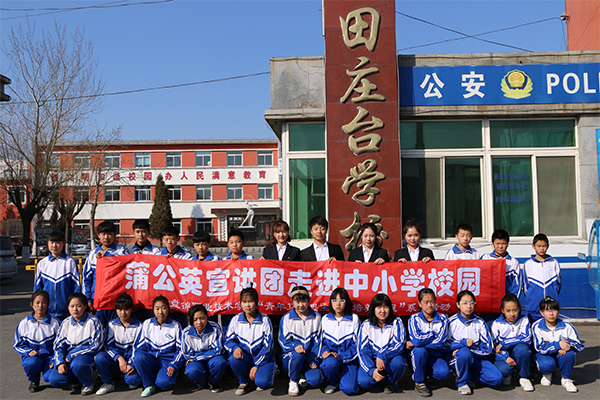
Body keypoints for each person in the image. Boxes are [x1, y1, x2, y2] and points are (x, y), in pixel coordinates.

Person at [447, 290, 503, 395]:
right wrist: (462, 345)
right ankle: (462, 383)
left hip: (477, 357)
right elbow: (444, 345)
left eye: (471, 303)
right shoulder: (451, 322)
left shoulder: (480, 322)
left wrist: (469, 349)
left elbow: (488, 348)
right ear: (458, 305)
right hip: (457, 358)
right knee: (464, 353)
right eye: (465, 303)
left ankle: (468, 376)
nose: (469, 306)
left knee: (497, 379)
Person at [48, 293, 104, 396]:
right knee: (54, 379)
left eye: (79, 306)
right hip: (68, 358)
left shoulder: (93, 322)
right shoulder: (66, 322)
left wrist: (72, 354)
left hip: (86, 356)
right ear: (68, 307)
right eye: (72, 306)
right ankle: (78, 379)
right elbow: (58, 345)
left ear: (85, 306)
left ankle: (89, 382)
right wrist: (60, 362)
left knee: (78, 364)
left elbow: (96, 345)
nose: (75, 309)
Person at [225, 286, 276, 395]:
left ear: (256, 302)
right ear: (240, 303)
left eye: (250, 301)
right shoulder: (235, 320)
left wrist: (256, 365)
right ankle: (244, 382)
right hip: (246, 357)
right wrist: (235, 347)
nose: (247, 305)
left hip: (263, 358)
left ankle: (266, 372)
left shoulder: (265, 320)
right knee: (234, 359)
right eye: (244, 302)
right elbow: (228, 340)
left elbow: (268, 346)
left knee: (263, 383)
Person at [532, 296, 584, 393]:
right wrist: (558, 345)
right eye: (547, 310)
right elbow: (539, 348)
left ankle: (565, 379)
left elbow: (579, 345)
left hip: (562, 354)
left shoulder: (567, 326)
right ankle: (547, 374)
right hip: (545, 354)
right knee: (546, 364)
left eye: (554, 310)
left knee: (569, 354)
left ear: (558, 311)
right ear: (541, 312)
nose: (551, 313)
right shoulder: (537, 326)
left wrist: (568, 346)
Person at [133, 295, 182, 397]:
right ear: (153, 310)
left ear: (168, 309)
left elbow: (181, 349)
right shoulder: (147, 324)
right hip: (151, 358)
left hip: (167, 360)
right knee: (139, 357)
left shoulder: (176, 326)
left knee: (164, 384)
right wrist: (133, 363)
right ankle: (149, 385)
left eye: (163, 308)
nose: (160, 312)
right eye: (157, 308)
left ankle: (165, 376)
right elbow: (139, 346)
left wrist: (174, 365)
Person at [94, 293, 143, 395]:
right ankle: (108, 383)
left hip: (131, 362)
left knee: (132, 381)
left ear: (132, 309)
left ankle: (131, 376)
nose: (123, 313)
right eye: (119, 309)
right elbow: (108, 345)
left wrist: (131, 364)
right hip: (116, 361)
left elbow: (138, 348)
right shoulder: (111, 324)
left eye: (126, 309)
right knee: (100, 357)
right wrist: (119, 358)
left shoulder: (139, 326)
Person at [407, 288, 452, 397]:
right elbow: (417, 340)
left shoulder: (442, 318)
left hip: (435, 354)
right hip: (420, 354)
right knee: (419, 350)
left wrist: (417, 343)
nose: (429, 305)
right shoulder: (414, 318)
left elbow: (440, 342)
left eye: (432, 301)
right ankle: (419, 382)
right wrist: (432, 334)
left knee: (444, 372)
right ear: (420, 303)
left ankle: (427, 375)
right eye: (426, 302)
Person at [357, 293, 406, 393]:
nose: (383, 311)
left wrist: (382, 354)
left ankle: (391, 382)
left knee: (399, 362)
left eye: (386, 307)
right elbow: (362, 351)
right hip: (372, 362)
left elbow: (400, 345)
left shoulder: (396, 322)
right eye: (379, 307)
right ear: (373, 309)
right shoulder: (366, 325)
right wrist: (371, 370)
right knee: (364, 382)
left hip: (388, 360)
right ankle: (378, 379)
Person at [13, 290, 61, 393]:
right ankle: (34, 381)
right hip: (33, 357)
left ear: (48, 304)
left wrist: (54, 359)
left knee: (52, 379)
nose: (40, 306)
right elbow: (17, 344)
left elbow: (60, 345)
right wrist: (28, 352)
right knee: (31, 363)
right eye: (37, 303)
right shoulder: (24, 323)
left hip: (49, 357)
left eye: (43, 302)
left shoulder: (55, 323)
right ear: (32, 304)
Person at [279, 286, 323, 396]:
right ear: (292, 302)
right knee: (298, 355)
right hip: (292, 357)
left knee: (315, 380)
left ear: (309, 300)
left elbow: (318, 342)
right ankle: (293, 380)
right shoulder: (286, 318)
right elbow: (282, 340)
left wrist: (313, 359)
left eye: (303, 301)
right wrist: (295, 345)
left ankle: (301, 374)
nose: (301, 305)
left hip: (309, 358)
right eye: (297, 301)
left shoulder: (317, 317)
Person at [83, 221, 128, 326]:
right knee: (98, 328)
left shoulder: (122, 250)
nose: (106, 237)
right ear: (98, 235)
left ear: (115, 235)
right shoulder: (92, 254)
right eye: (103, 234)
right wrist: (88, 299)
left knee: (116, 329)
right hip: (98, 300)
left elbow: (126, 264)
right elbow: (87, 279)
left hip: (117, 300)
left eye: (109, 234)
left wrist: (107, 255)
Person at [175, 304, 227, 393]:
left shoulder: (215, 328)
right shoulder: (186, 333)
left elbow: (218, 350)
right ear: (191, 320)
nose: (199, 322)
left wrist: (197, 357)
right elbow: (187, 354)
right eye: (195, 319)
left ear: (207, 317)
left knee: (219, 362)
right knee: (191, 369)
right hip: (199, 360)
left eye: (202, 318)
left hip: (208, 359)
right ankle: (201, 383)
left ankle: (213, 383)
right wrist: (205, 355)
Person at [319, 287, 360, 396]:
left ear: (346, 302)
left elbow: (357, 345)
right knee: (329, 364)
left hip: (349, 359)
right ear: (331, 302)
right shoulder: (325, 319)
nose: (338, 304)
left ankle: (343, 377)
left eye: (341, 300)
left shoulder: (354, 319)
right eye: (334, 300)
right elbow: (321, 342)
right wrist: (325, 352)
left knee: (350, 389)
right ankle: (332, 382)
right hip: (331, 358)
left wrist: (341, 356)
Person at [490, 293, 533, 391]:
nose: (512, 314)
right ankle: (508, 374)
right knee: (504, 370)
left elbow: (526, 338)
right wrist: (505, 357)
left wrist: (505, 343)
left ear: (519, 309)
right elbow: (494, 347)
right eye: (508, 311)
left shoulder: (524, 320)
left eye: (515, 310)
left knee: (523, 349)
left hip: (517, 351)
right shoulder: (497, 323)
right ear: (502, 310)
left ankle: (523, 377)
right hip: (503, 355)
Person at [33, 231, 81, 320]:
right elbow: (38, 289)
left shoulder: (70, 262)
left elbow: (76, 287)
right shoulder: (42, 264)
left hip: (67, 313)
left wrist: (74, 306)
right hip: (47, 313)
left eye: (58, 242)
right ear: (48, 243)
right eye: (52, 242)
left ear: (64, 243)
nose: (54, 245)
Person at [523, 233, 560, 321]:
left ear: (548, 246)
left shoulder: (554, 262)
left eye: (544, 246)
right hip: (534, 307)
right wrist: (531, 299)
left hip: (550, 307)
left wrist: (553, 296)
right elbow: (525, 286)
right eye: (539, 246)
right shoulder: (528, 264)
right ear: (533, 246)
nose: (542, 248)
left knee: (550, 327)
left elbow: (558, 284)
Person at [481, 229, 521, 296]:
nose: (500, 246)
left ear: (507, 244)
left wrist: (513, 300)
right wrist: (495, 264)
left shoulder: (513, 262)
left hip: (506, 299)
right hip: (489, 297)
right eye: (498, 243)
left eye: (503, 243)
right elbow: (480, 279)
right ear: (493, 244)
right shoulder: (485, 258)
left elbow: (516, 285)